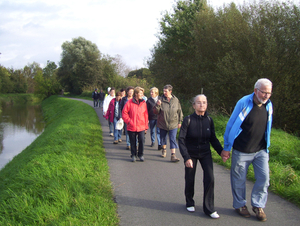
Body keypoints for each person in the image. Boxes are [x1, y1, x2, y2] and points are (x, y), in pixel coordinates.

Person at [221, 78, 273, 222]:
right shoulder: (244, 102)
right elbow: (231, 124)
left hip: (261, 150)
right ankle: (240, 205)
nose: (266, 96)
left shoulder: (269, 105)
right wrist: (226, 148)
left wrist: (267, 145)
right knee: (238, 180)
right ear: (256, 90)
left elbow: (267, 127)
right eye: (264, 92)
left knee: (264, 178)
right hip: (242, 149)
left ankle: (258, 205)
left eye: (269, 93)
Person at [179, 94, 223, 219]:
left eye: (204, 102)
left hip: (205, 153)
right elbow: (181, 139)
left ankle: (209, 209)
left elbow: (213, 139)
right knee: (190, 178)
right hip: (191, 153)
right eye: (198, 102)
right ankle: (189, 201)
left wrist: (222, 152)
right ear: (193, 105)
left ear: (207, 104)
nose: (201, 104)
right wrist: (186, 157)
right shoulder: (188, 120)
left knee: (210, 178)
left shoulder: (209, 120)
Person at [154, 84, 183, 162]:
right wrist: (158, 105)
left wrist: (180, 121)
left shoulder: (176, 100)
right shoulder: (160, 99)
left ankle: (173, 155)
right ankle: (164, 149)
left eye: (166, 91)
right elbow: (156, 112)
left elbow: (179, 111)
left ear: (170, 91)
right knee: (163, 138)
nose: (164, 92)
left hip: (174, 123)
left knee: (172, 139)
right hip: (163, 123)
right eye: (163, 91)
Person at [122, 87, 148, 162]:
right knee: (132, 142)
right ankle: (133, 155)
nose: (142, 95)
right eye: (140, 93)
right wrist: (129, 121)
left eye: (142, 93)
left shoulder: (144, 103)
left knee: (142, 141)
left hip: (141, 126)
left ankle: (141, 154)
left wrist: (146, 126)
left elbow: (146, 115)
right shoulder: (129, 102)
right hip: (132, 126)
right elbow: (124, 113)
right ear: (136, 94)